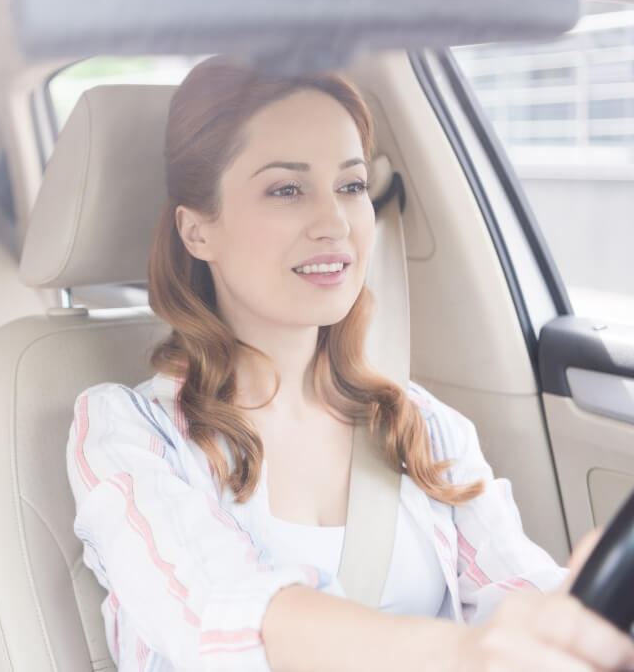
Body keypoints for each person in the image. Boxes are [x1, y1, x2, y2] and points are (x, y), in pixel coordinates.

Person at [66, 56, 634, 671]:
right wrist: (461, 656)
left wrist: (577, 626)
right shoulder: (126, 432)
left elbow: (515, 589)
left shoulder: (420, 423)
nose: (334, 222)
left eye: (352, 185)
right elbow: (216, 613)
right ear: (198, 231)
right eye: (287, 189)